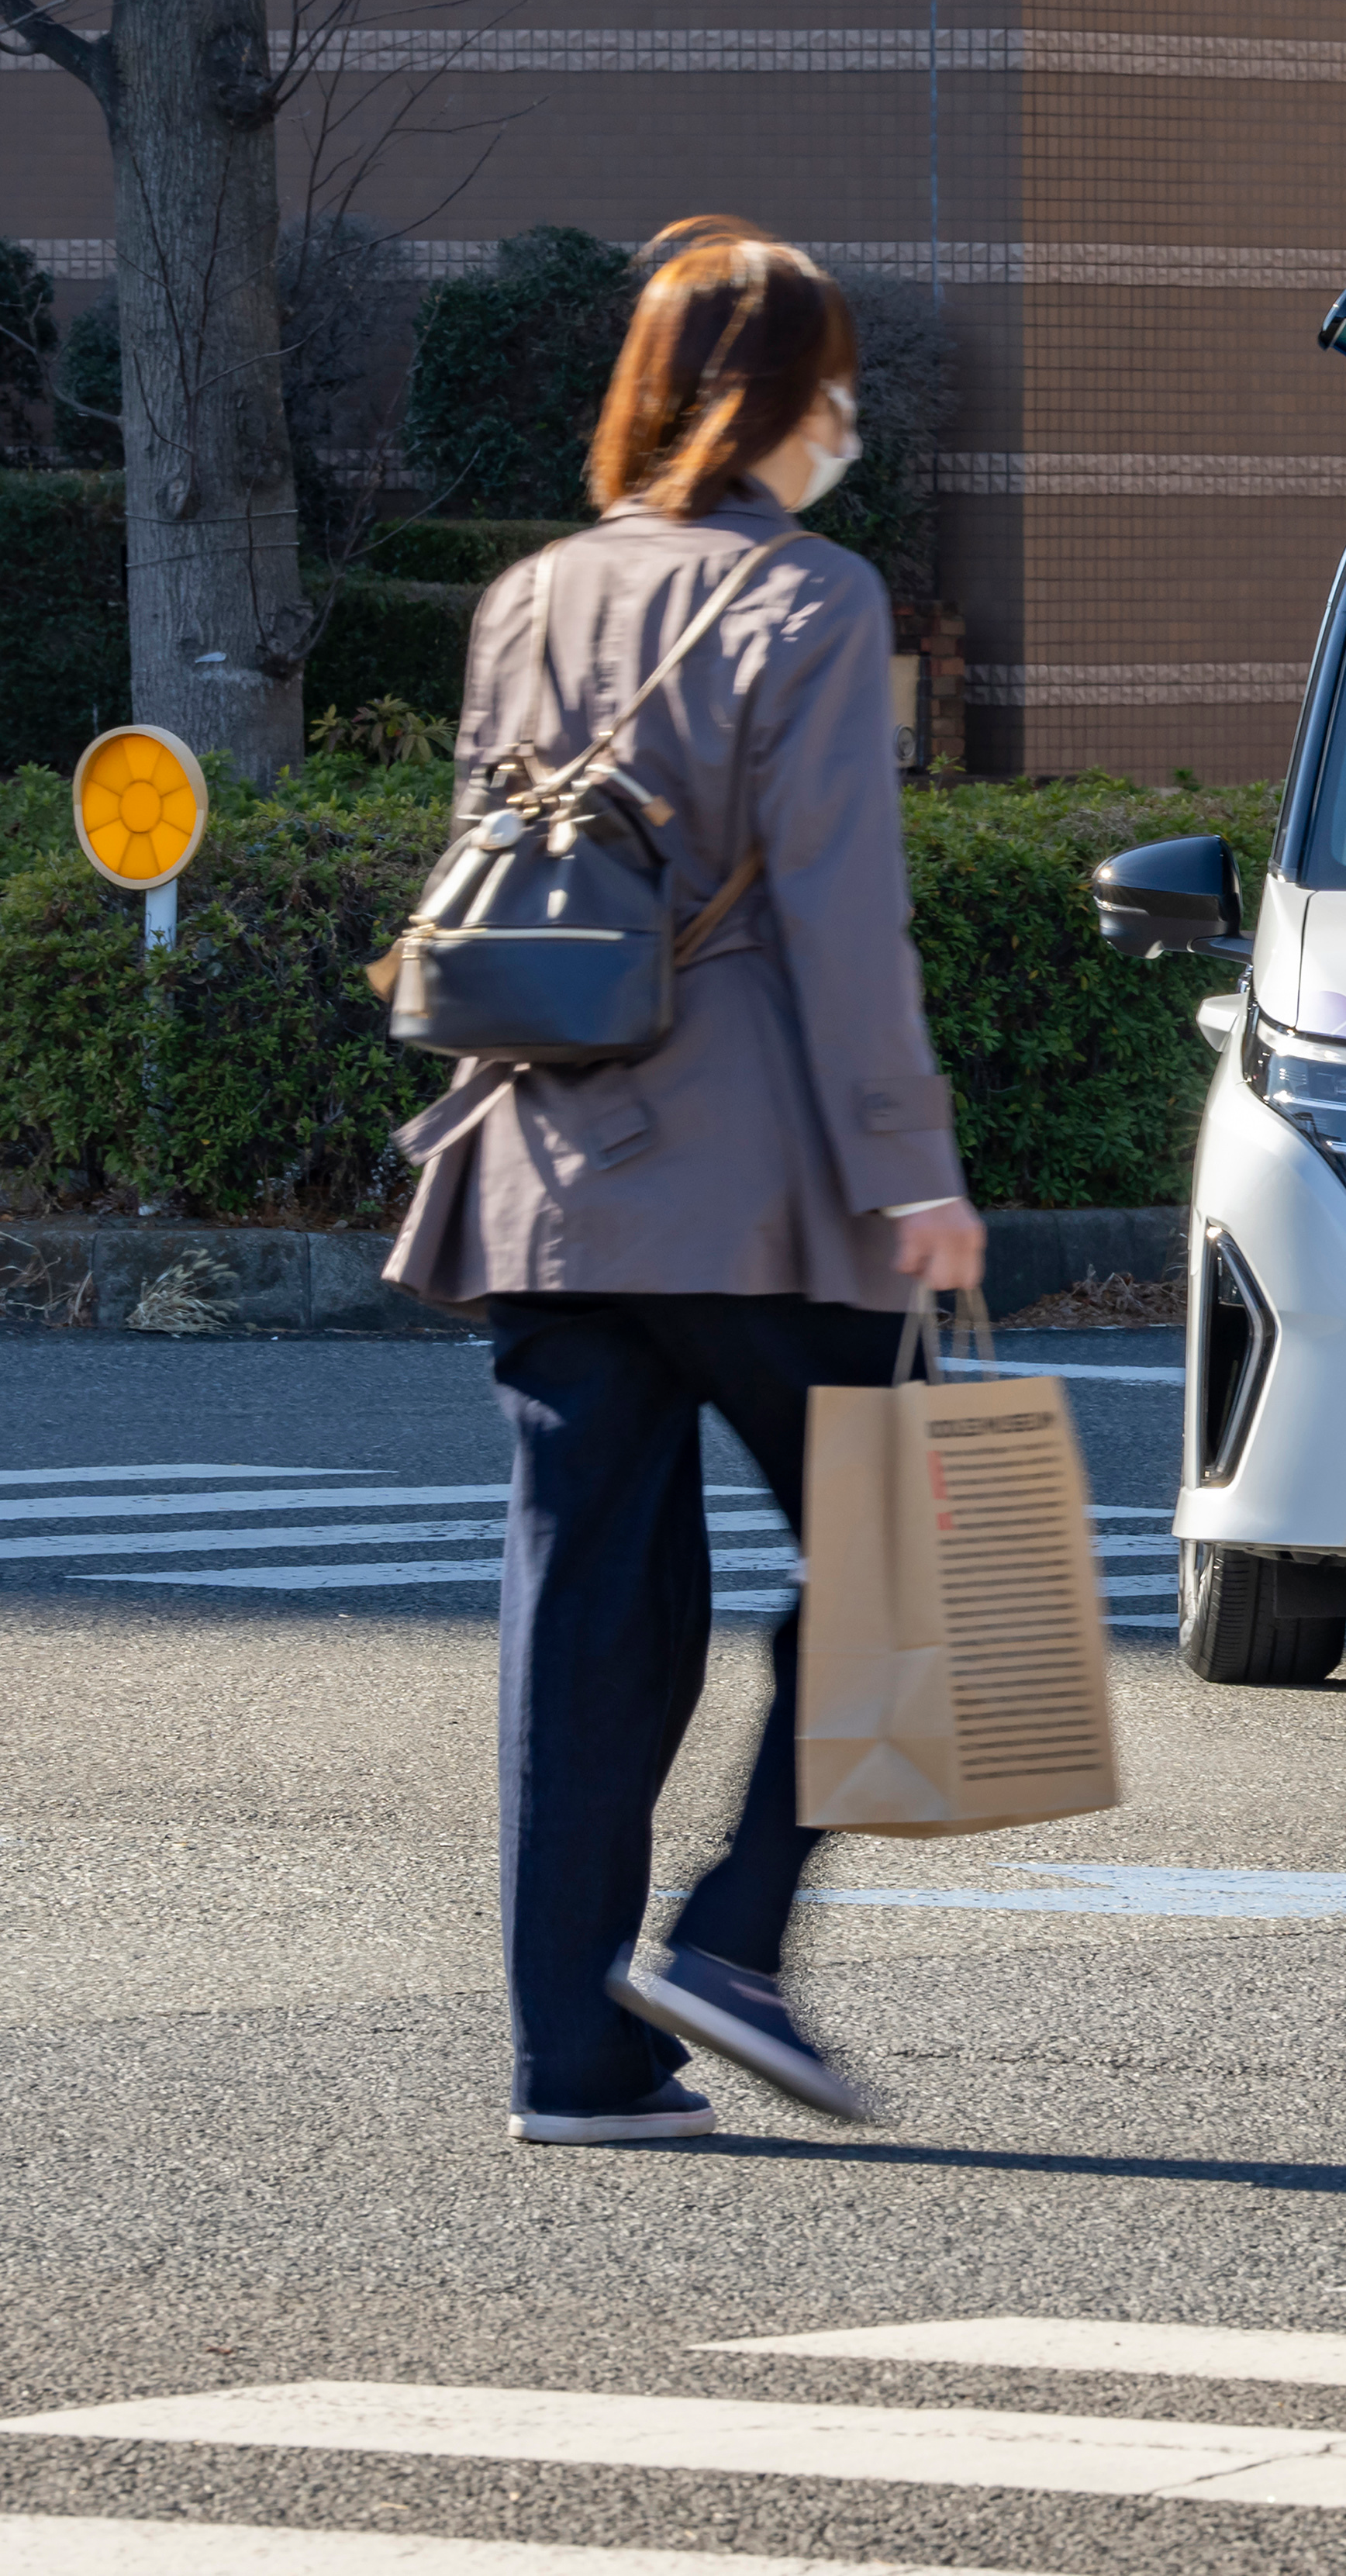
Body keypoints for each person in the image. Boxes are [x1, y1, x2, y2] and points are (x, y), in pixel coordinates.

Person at [382, 216, 988, 2143]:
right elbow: (837, 914)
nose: (850, 419)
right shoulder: (808, 602)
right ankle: (732, 1932)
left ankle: (574, 2055)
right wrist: (918, 1173)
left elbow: (493, 888)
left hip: (550, 1173)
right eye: (838, 386)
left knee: (583, 1615)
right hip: (753, 1188)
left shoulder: (529, 594)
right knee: (919, 1551)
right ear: (786, 400)